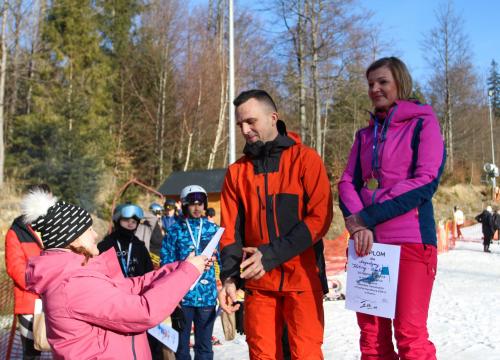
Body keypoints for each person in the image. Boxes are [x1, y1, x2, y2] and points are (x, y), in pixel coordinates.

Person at [338, 57, 446, 359]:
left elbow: (426, 181)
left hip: (412, 242)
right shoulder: (363, 136)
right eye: (370, 83)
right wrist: (359, 225)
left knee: (410, 336)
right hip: (367, 245)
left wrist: (368, 214)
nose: (375, 89)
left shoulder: (424, 122)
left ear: (400, 82)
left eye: (382, 82)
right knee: (372, 339)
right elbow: (347, 182)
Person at [21, 187, 209, 359]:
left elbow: (130, 286)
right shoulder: (74, 283)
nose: (95, 234)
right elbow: (143, 311)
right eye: (89, 229)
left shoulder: (77, 273)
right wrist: (187, 273)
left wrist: (178, 269)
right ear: (74, 240)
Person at [218, 89, 333, 359]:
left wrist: (270, 255)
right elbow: (231, 231)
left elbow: (320, 220)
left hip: (303, 280)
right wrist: (230, 278)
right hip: (258, 286)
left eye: (251, 121)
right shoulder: (237, 172)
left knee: (305, 354)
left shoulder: (306, 159)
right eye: (240, 124)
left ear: (273, 118)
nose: (245, 130)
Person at [160, 185, 220, 360]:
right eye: (193, 204)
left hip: (207, 296)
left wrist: (216, 266)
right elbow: (166, 263)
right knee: (182, 348)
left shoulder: (212, 229)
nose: (197, 208)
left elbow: (220, 262)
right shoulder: (175, 230)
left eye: (200, 204)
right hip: (183, 297)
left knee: (205, 347)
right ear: (185, 205)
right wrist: (171, 294)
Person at [5, 184, 50, 360]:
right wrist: (42, 283)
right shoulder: (17, 231)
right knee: (32, 353)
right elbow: (15, 268)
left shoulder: (54, 227)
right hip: (30, 302)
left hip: (57, 299)